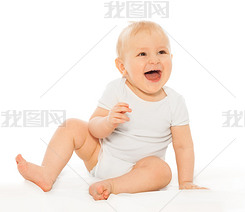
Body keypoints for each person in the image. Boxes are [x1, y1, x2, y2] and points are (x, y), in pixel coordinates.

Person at [16, 21, 207, 201]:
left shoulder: (175, 102)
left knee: (163, 171)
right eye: (142, 54)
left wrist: (186, 181)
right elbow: (93, 127)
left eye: (161, 52)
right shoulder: (117, 89)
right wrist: (108, 122)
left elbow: (183, 146)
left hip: (141, 169)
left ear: (171, 58)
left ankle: (112, 186)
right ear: (122, 67)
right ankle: (47, 173)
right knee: (71, 125)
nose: (154, 60)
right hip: (100, 158)